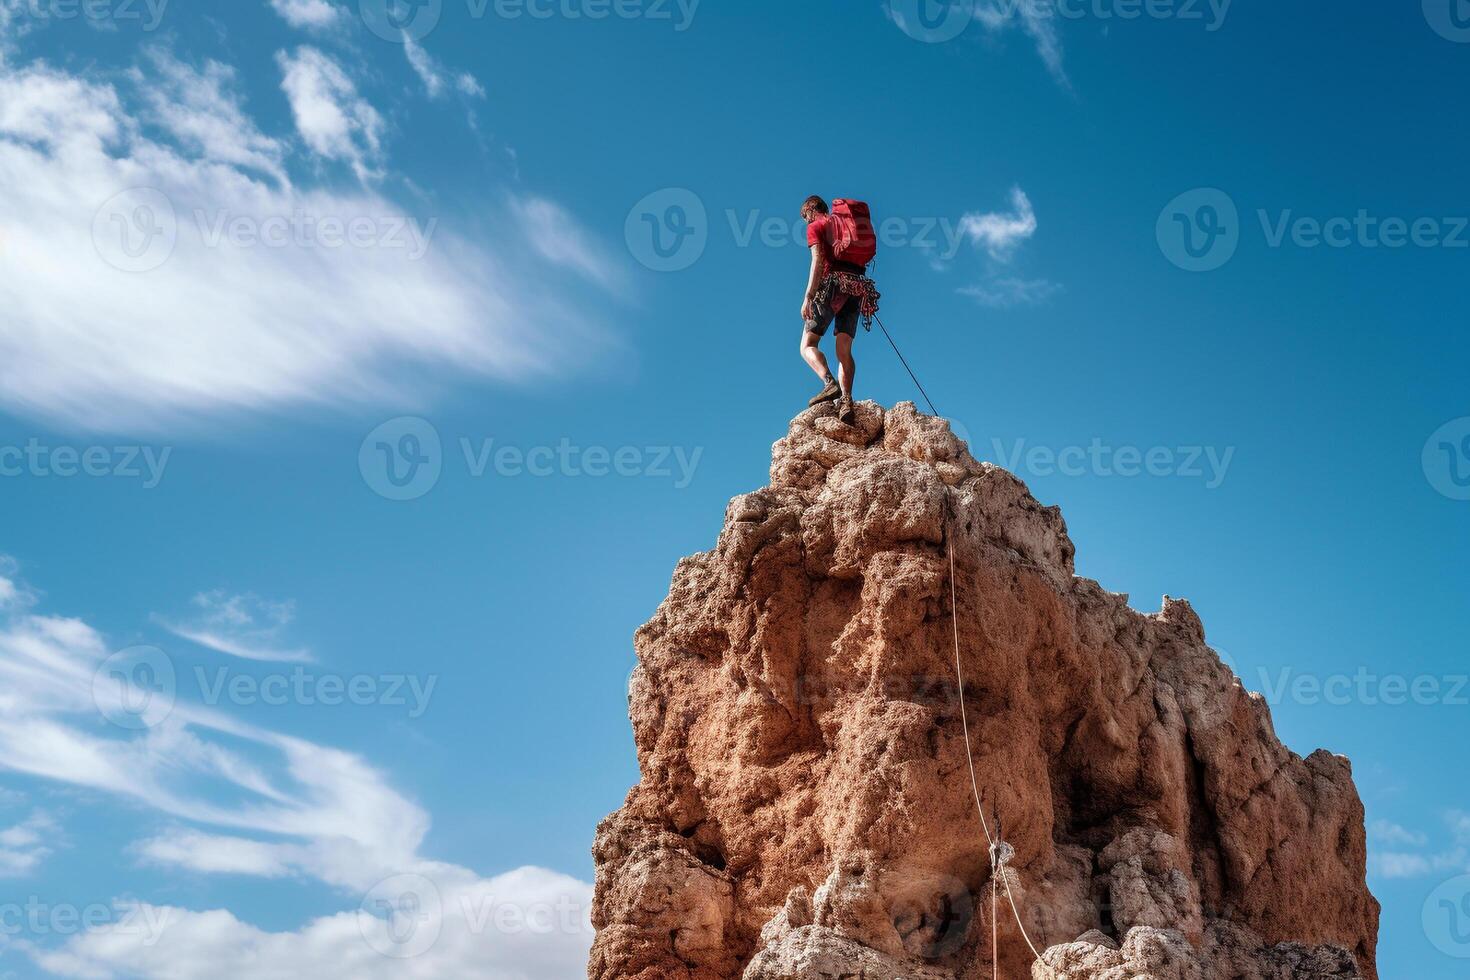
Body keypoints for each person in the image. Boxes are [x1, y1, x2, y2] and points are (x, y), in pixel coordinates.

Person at [798, 196, 863, 425]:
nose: (806, 222)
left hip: (831, 286)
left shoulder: (816, 226)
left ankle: (829, 383)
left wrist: (808, 296)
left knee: (807, 344)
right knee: (844, 348)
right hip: (856, 286)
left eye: (805, 217)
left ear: (809, 212)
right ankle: (846, 400)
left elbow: (817, 260)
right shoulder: (842, 225)